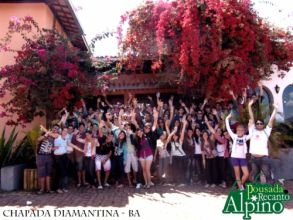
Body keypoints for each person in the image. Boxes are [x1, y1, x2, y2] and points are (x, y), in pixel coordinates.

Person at [248, 100, 278, 184]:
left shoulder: (266, 131)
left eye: (260, 123)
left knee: (267, 174)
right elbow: (251, 118)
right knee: (255, 176)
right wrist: (249, 106)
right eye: (257, 123)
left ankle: (271, 191)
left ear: (263, 125)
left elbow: (271, 121)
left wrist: (275, 110)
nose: (258, 124)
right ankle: (257, 193)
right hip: (253, 158)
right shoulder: (253, 130)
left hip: (263, 158)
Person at [225, 113, 251, 189]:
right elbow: (228, 128)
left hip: (242, 158)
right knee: (237, 175)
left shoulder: (245, 137)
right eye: (238, 130)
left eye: (242, 130)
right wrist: (227, 118)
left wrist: (250, 124)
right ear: (236, 131)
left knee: (246, 174)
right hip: (235, 158)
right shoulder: (234, 136)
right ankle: (240, 188)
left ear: (244, 131)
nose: (240, 131)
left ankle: (240, 185)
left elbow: (252, 133)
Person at [36, 125, 59, 194]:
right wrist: (46, 134)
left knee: (48, 173)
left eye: (57, 129)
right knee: (42, 173)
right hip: (41, 156)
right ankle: (42, 189)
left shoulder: (54, 137)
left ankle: (48, 189)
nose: (55, 129)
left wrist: (53, 149)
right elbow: (38, 139)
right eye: (55, 128)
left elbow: (50, 148)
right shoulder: (45, 135)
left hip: (49, 156)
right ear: (52, 128)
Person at [170, 117, 187, 186]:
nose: (174, 137)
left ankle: (181, 182)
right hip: (174, 157)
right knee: (174, 169)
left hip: (180, 157)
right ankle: (175, 182)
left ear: (178, 137)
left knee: (180, 169)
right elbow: (169, 135)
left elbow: (182, 133)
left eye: (176, 136)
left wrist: (184, 125)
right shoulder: (171, 142)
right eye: (173, 136)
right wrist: (174, 130)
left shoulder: (180, 141)